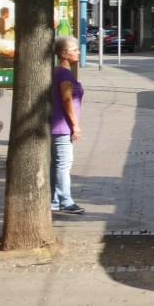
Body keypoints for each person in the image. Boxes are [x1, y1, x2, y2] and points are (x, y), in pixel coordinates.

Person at [51, 35, 85, 215]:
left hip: (55, 125)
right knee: (64, 163)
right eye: (75, 49)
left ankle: (54, 200)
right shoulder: (64, 73)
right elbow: (66, 100)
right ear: (63, 54)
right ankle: (66, 200)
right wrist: (75, 124)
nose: (78, 52)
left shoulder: (56, 71)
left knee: (56, 164)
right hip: (62, 126)